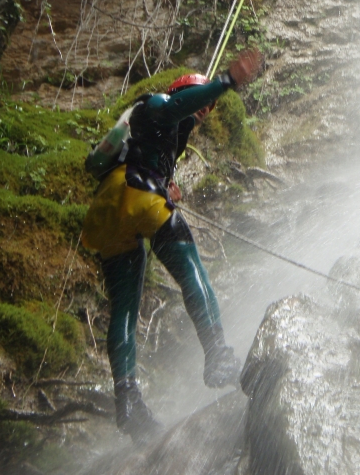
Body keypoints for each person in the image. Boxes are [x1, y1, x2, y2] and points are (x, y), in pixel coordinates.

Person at [81, 48, 262, 439]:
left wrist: (167, 183)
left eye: (211, 107)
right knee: (191, 269)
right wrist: (226, 82)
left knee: (124, 309)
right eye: (204, 102)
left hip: (108, 210)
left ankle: (127, 401)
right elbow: (176, 106)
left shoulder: (146, 134)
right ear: (181, 91)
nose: (206, 110)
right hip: (138, 195)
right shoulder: (159, 104)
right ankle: (217, 357)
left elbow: (144, 153)